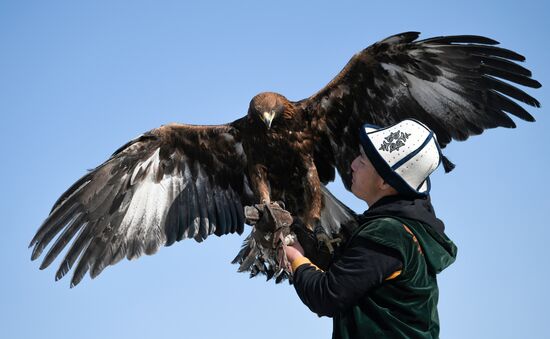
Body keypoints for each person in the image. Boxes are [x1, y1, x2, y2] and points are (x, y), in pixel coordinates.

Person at [284, 119, 457, 338]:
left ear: (385, 183)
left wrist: (295, 257)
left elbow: (327, 296)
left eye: (363, 161)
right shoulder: (408, 228)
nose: (353, 164)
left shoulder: (388, 234)